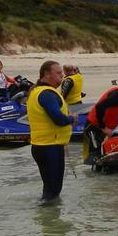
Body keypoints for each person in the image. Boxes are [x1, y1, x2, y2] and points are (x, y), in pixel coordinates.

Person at [27, 60, 75, 203]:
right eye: (59, 73)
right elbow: (58, 119)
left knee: (49, 190)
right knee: (53, 192)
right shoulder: (47, 94)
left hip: (41, 146)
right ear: (47, 74)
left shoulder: (36, 91)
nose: (62, 76)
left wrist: (63, 142)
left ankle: (45, 221)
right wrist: (72, 118)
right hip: (50, 148)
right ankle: (49, 220)